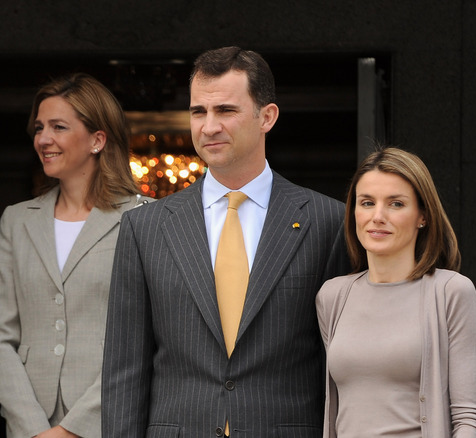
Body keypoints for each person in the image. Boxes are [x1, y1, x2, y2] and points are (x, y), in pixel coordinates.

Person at [102, 46, 350, 437]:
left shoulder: (328, 221)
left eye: (225, 110)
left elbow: (339, 367)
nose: (209, 126)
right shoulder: (144, 228)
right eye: (198, 112)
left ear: (267, 116)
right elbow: (124, 371)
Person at [0, 73, 150, 438]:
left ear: (97, 140)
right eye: (39, 128)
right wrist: (33, 429)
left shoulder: (144, 219)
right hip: (30, 428)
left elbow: (145, 343)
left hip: (110, 424)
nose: (43, 139)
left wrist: (71, 430)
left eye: (58, 127)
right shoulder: (16, 221)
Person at [316, 147, 476, 437]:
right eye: (367, 203)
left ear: (423, 216)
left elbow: (468, 419)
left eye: (396, 204)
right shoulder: (333, 296)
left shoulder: (451, 292)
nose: (378, 216)